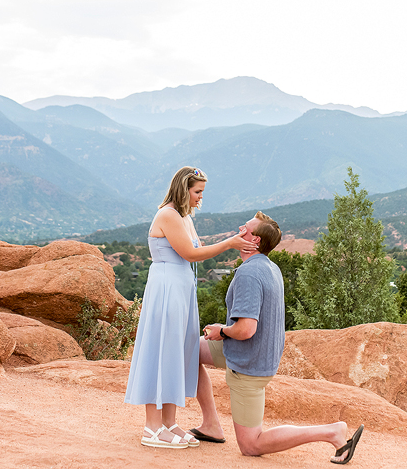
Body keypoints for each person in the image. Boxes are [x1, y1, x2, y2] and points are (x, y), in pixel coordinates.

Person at [190, 211, 364, 464]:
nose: (240, 228)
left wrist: (222, 330)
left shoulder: (248, 274)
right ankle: (211, 425)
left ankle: (332, 432)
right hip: (254, 353)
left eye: (246, 228)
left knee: (251, 445)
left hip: (249, 364)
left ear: (255, 241)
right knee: (190, 350)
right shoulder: (270, 267)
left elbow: (246, 329)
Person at [124, 166, 259, 450]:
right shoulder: (168, 215)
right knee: (161, 350)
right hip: (167, 289)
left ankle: (169, 423)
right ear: (183, 189)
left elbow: (194, 249)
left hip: (182, 289)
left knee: (178, 352)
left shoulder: (184, 217)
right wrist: (230, 244)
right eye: (197, 192)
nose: (200, 198)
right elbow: (191, 253)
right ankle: (151, 426)